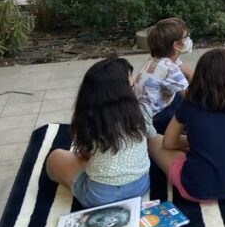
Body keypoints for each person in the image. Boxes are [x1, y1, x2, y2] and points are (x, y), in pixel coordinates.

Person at [149, 48, 225, 202]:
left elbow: (168, 143)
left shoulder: (189, 103)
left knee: (152, 140)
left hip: (193, 189)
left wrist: (194, 141)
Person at [45, 58, 156, 208]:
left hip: (98, 197)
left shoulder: (89, 119)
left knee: (55, 157)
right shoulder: (142, 112)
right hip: (139, 188)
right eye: (130, 77)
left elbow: (85, 153)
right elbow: (151, 137)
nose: (134, 80)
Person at [132, 17, 193, 134]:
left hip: (144, 114)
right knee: (193, 104)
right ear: (176, 45)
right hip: (157, 119)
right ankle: (180, 134)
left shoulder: (158, 58)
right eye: (186, 37)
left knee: (180, 93)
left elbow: (190, 74)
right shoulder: (169, 68)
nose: (188, 40)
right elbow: (192, 97)